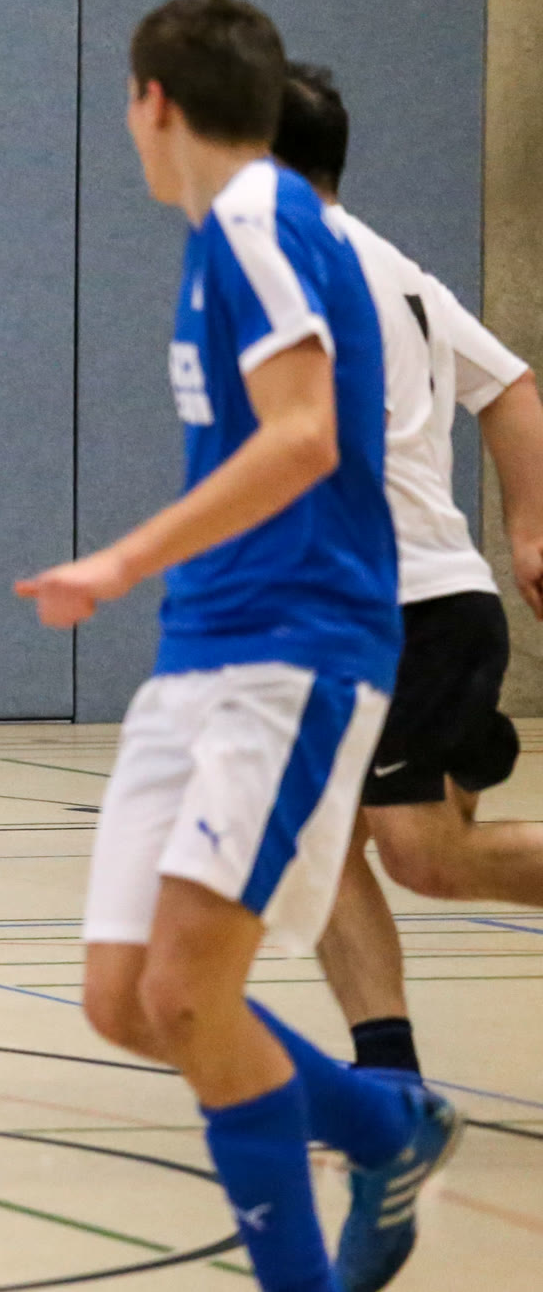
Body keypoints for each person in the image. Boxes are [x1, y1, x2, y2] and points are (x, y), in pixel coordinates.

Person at [16, 0, 459, 1292]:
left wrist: (119, 558)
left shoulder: (259, 214)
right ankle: (384, 1125)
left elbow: (303, 432)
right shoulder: (231, 232)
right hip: (203, 651)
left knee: (191, 994)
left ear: (153, 101)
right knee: (125, 997)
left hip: (291, 653)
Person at [269, 63, 543, 1077]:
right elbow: (509, 385)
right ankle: (389, 1081)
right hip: (369, 611)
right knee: (311, 836)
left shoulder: (308, 271)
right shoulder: (389, 264)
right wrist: (528, 535)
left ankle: (464, 748)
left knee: (425, 856)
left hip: (407, 609)